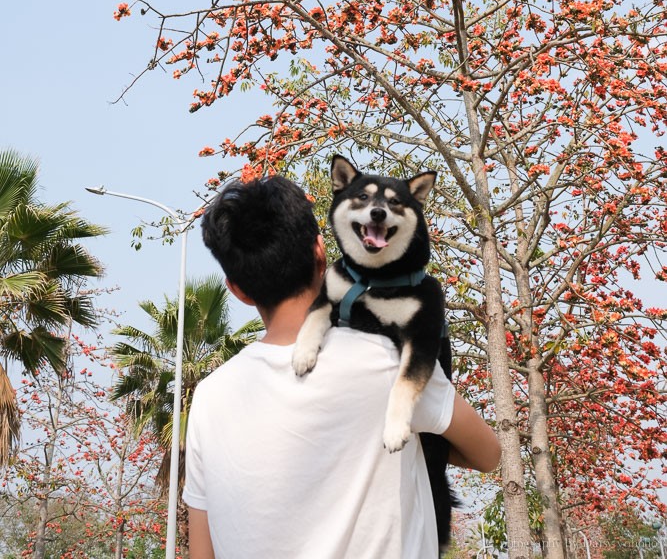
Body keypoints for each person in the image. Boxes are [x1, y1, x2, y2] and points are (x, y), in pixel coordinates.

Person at [184, 175, 500, 559]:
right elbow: (488, 454)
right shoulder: (389, 363)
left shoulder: (210, 396)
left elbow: (202, 550)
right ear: (321, 252)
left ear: (237, 289)